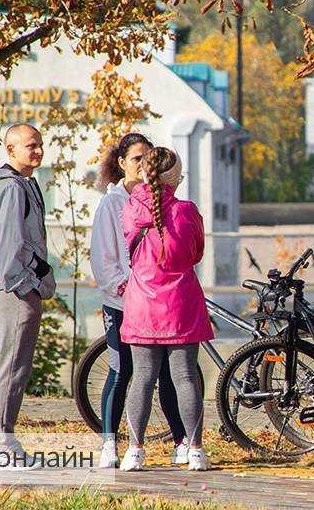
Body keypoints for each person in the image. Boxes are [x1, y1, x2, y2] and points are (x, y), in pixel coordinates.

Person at [90, 133, 192, 469]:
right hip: (124, 302)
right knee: (123, 372)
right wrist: (125, 288)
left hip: (156, 302)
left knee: (166, 374)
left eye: (147, 157)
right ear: (121, 163)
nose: (142, 163)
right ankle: (110, 443)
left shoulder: (165, 202)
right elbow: (104, 259)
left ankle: (181, 440)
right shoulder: (113, 203)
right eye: (136, 158)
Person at [119, 147, 213, 472]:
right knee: (186, 378)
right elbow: (196, 253)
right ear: (176, 177)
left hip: (142, 304)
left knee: (142, 378)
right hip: (181, 304)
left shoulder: (131, 209)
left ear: (144, 173)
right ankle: (195, 450)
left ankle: (134, 450)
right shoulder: (186, 211)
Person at [0, 123, 56, 469]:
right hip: (13, 288)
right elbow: (9, 244)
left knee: (17, 364)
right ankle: (2, 443)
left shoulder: (24, 184)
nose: (37, 151)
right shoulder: (9, 187)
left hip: (20, 286)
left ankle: (6, 439)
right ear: (10, 150)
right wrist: (25, 285)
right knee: (12, 363)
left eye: (39, 144)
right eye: (30, 146)